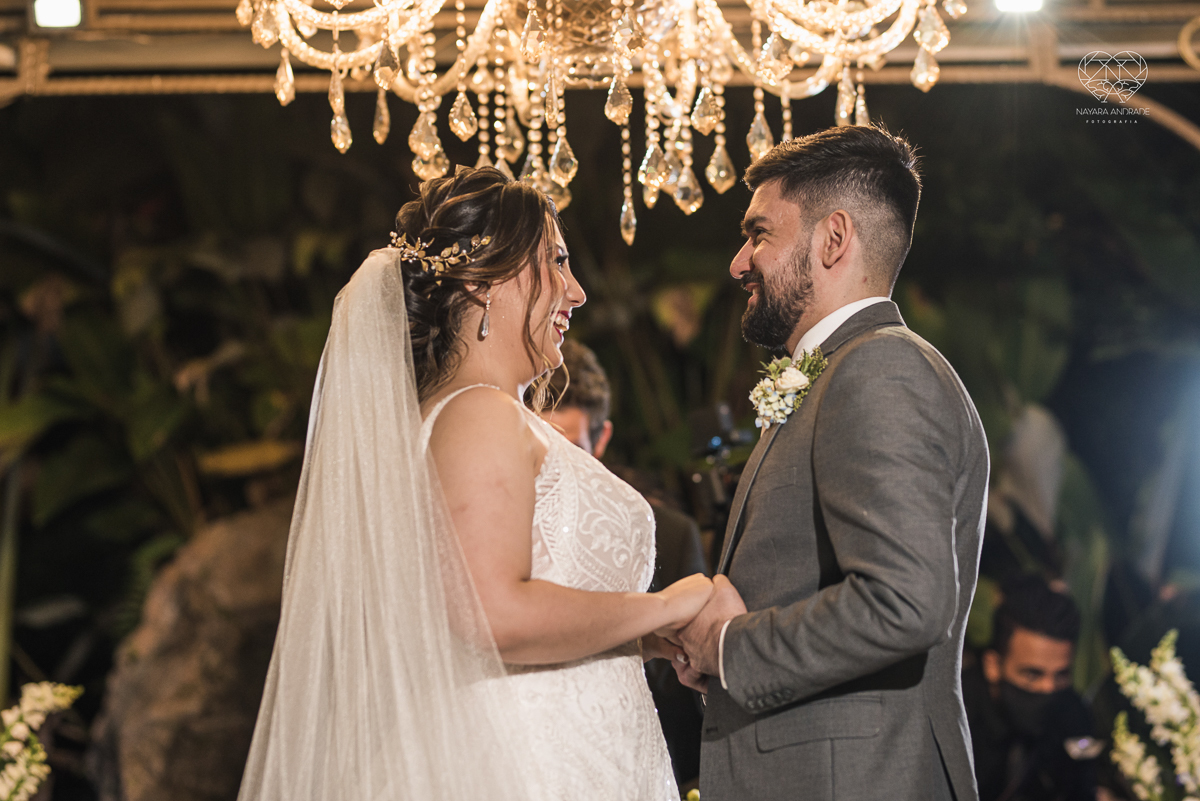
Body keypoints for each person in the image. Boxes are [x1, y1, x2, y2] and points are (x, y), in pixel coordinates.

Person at [237, 166, 713, 801]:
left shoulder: (473, 416)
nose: (576, 292)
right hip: (524, 768)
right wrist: (670, 604)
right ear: (487, 281)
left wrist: (643, 637)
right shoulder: (477, 414)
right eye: (556, 261)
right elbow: (487, 612)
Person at [672, 125, 990, 801]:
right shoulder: (839, 372)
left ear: (833, 239)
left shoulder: (879, 367)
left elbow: (904, 599)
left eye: (759, 233)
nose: (738, 261)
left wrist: (728, 646)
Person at [541, 339, 708, 787]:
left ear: (603, 438)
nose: (557, 466)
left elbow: (682, 693)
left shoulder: (668, 533)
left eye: (572, 447)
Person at [964, 576, 1100, 801]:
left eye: (1061, 675)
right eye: (1032, 674)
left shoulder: (1073, 716)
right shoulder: (956, 720)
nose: (1048, 687)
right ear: (993, 665)